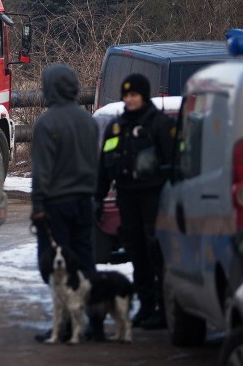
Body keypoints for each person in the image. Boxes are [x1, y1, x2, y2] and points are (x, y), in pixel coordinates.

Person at [97, 73, 175, 330]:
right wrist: (97, 198)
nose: (130, 100)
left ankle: (165, 310)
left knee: (157, 253)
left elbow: (172, 165)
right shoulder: (117, 127)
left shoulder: (159, 124)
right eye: (127, 95)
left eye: (135, 95)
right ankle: (146, 305)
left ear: (144, 96)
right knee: (137, 252)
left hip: (154, 198)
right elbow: (105, 166)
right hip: (127, 197)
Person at [30, 64, 100, 341]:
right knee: (85, 262)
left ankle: (67, 326)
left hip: (56, 206)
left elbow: (42, 171)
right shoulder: (89, 121)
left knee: (55, 266)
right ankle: (94, 322)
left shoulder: (47, 123)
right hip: (85, 201)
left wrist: (37, 207)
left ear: (51, 87)